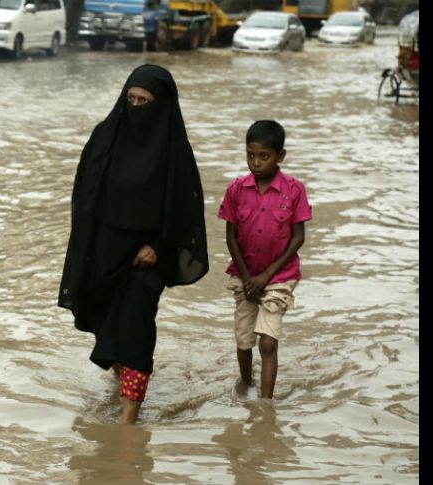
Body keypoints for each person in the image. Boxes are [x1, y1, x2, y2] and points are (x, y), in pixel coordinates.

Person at [58, 64, 208, 424]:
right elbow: (84, 193)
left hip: (148, 259)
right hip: (105, 253)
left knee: (136, 330)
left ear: (162, 106)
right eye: (131, 99)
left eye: (145, 101)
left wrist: (158, 244)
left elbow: (184, 206)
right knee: (109, 324)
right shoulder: (105, 136)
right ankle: (122, 382)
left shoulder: (173, 152)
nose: (136, 106)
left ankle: (128, 420)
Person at [217, 120, 311, 399]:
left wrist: (266, 276)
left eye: (264, 156)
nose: (256, 162)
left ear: (280, 156)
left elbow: (298, 238)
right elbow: (231, 236)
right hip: (244, 275)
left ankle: (265, 407)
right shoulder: (236, 189)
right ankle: (246, 384)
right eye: (250, 155)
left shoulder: (294, 190)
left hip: (280, 276)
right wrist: (247, 278)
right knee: (244, 340)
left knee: (268, 343)